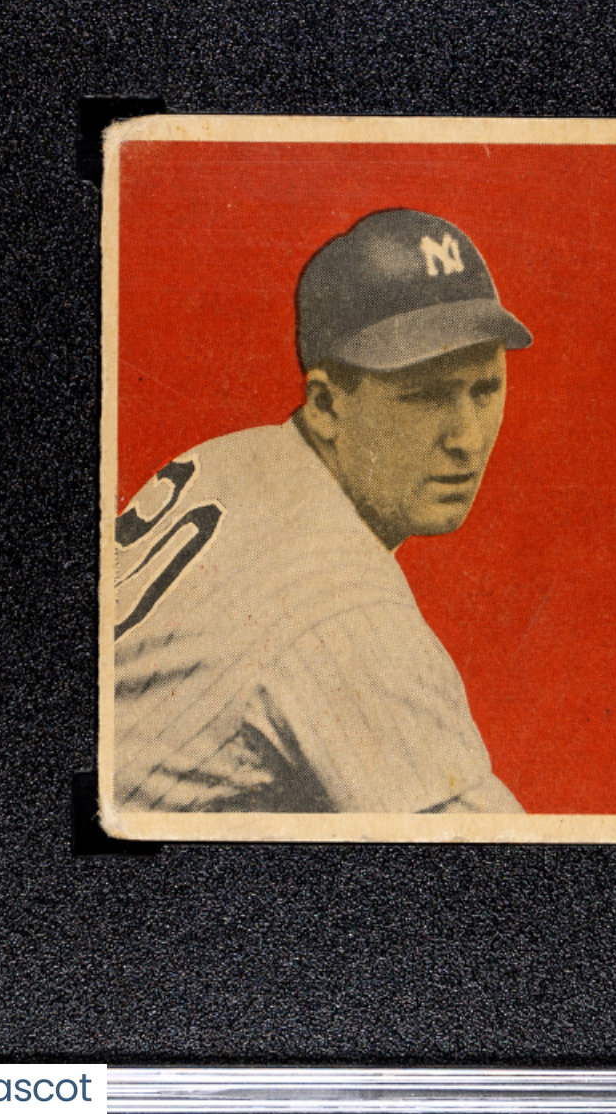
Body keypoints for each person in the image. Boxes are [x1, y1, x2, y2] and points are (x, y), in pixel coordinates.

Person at [109, 208, 533, 817]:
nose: (466, 437)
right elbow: (498, 861)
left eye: (484, 390)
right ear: (328, 405)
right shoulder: (345, 614)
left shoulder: (229, 460)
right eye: (425, 397)